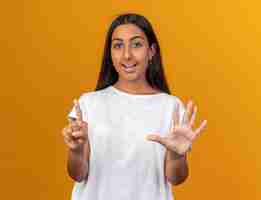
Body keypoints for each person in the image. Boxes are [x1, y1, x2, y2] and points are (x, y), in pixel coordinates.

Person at [62, 13, 207, 200]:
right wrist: (76, 150)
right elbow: (78, 174)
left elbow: (176, 178)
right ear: (110, 54)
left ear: (151, 51)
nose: (127, 55)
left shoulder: (170, 107)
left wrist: (177, 155)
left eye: (136, 44)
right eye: (118, 45)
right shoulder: (88, 104)